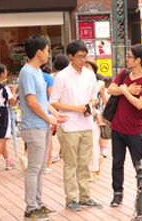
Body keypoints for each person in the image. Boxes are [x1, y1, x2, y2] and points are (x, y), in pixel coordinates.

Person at [19, 35, 68, 220]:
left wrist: (55, 114)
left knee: (39, 168)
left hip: (42, 125)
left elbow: (42, 100)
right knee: (34, 168)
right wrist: (49, 118)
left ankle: (38, 204)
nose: (49, 54)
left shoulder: (37, 71)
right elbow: (31, 102)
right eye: (47, 51)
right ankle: (31, 207)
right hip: (34, 126)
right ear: (39, 52)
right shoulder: (27, 72)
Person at [50, 40, 103, 212]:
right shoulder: (62, 76)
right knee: (70, 164)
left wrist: (90, 106)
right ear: (70, 56)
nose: (82, 60)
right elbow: (54, 103)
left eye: (84, 56)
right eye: (79, 57)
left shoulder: (89, 75)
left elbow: (95, 97)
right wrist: (76, 108)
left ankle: (85, 196)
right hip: (68, 125)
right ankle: (71, 198)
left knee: (84, 163)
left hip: (86, 123)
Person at [107, 44, 142, 207]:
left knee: (138, 164)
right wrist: (126, 89)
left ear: (138, 60)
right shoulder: (124, 73)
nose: (127, 58)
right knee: (117, 163)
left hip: (134, 130)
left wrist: (125, 91)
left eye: (130, 56)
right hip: (117, 128)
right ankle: (117, 194)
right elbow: (110, 89)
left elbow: (140, 104)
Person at [84, 57, 106, 182]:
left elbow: (102, 103)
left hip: (95, 117)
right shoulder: (80, 82)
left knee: (93, 144)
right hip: (82, 117)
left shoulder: (99, 83)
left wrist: (98, 113)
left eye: (88, 66)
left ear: (93, 69)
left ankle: (94, 169)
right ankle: (91, 167)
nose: (85, 68)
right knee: (85, 146)